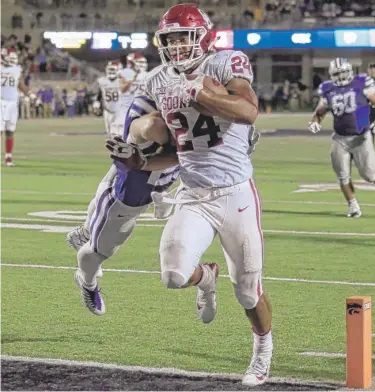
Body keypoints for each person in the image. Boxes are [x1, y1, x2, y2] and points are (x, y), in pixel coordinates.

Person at [142, 4, 271, 386]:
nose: (178, 45)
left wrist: (202, 95)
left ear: (203, 36)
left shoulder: (225, 63)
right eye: (171, 39)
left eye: (184, 36)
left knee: (248, 294)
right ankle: (206, 278)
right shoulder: (156, 80)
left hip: (235, 194)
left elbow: (248, 112)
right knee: (172, 275)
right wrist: (137, 157)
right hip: (193, 193)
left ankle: (263, 351)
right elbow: (174, 145)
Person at [69, 95, 180, 315]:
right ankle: (87, 281)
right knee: (98, 252)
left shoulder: (187, 112)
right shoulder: (153, 117)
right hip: (127, 201)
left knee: (110, 182)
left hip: (142, 184)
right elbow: (152, 127)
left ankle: (88, 226)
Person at [308, 58, 375, 218]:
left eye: (343, 72)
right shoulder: (327, 88)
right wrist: (315, 122)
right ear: (332, 75)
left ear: (350, 71)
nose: (341, 76)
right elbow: (320, 112)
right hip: (340, 138)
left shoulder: (361, 82)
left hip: (361, 136)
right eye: (338, 73)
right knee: (342, 175)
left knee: (368, 175)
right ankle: (353, 206)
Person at [1, 49, 34, 166]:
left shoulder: (16, 70)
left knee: (10, 131)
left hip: (12, 103)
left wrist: (31, 95)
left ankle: (8, 158)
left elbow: (21, 85)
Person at [110, 53, 148, 136]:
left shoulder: (146, 75)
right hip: (125, 107)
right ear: (132, 62)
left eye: (143, 62)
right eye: (139, 62)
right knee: (120, 135)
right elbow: (123, 89)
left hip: (139, 107)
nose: (142, 65)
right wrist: (132, 79)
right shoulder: (124, 73)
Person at [94, 60, 121, 135]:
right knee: (109, 133)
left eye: (113, 69)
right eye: (110, 69)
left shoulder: (122, 81)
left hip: (119, 111)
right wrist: (97, 104)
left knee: (119, 133)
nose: (111, 71)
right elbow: (99, 94)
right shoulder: (102, 81)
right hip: (107, 110)